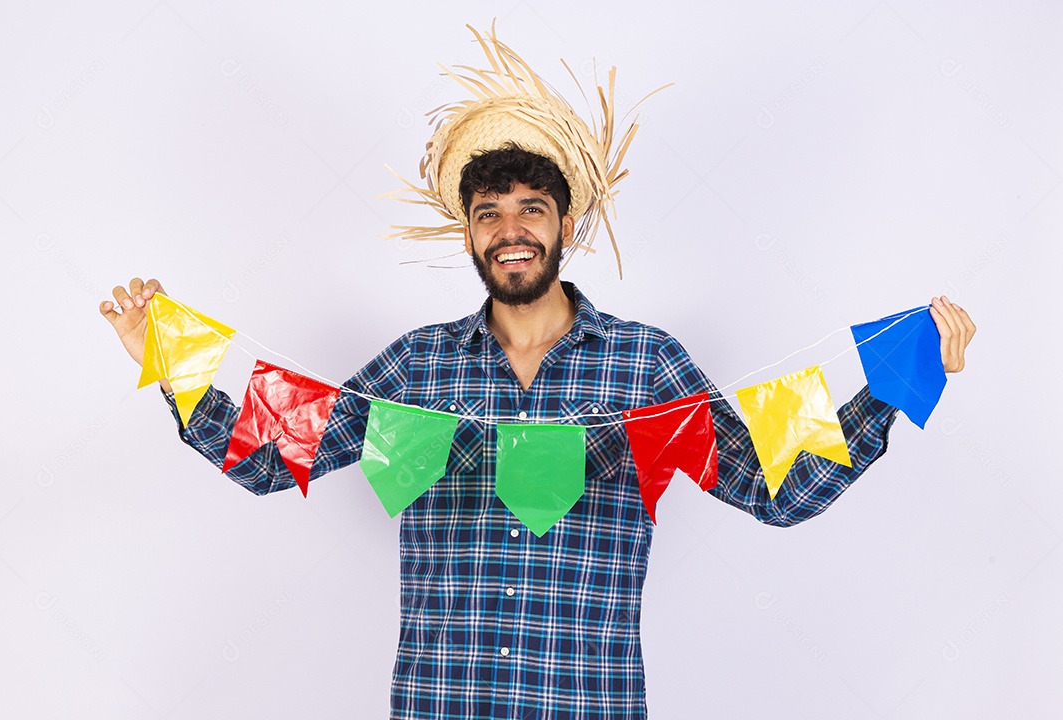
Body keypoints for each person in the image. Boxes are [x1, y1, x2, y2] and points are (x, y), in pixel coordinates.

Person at [99, 25, 975, 720]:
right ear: (469, 233)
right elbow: (265, 456)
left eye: (531, 208)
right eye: (489, 213)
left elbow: (777, 488)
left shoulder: (647, 366)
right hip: (438, 707)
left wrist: (896, 383)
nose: (510, 228)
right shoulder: (415, 369)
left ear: (562, 224)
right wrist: (168, 364)